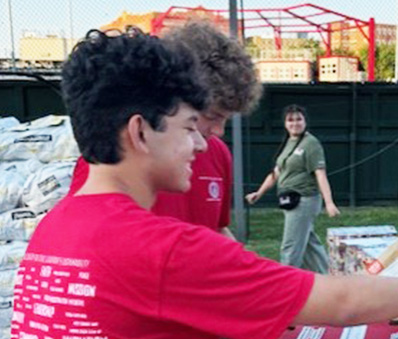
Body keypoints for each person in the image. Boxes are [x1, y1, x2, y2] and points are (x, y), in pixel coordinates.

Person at [11, 30, 398, 339]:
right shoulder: (163, 246)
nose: (203, 143)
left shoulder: (57, 225)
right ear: (140, 131)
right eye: (189, 127)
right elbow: (340, 299)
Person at [68, 22, 262, 240]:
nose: (218, 131)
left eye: (226, 119)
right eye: (212, 116)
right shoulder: (113, 158)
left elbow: (216, 228)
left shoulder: (218, 154)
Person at [246, 105, 340, 274]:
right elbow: (275, 173)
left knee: (291, 246)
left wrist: (329, 203)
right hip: (290, 200)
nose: (295, 123)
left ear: (305, 122)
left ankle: (285, 284)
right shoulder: (288, 143)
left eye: (298, 119)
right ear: (285, 123)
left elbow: (320, 174)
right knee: (309, 244)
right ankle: (328, 276)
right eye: (290, 120)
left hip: (304, 200)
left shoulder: (310, 143)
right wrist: (259, 193)